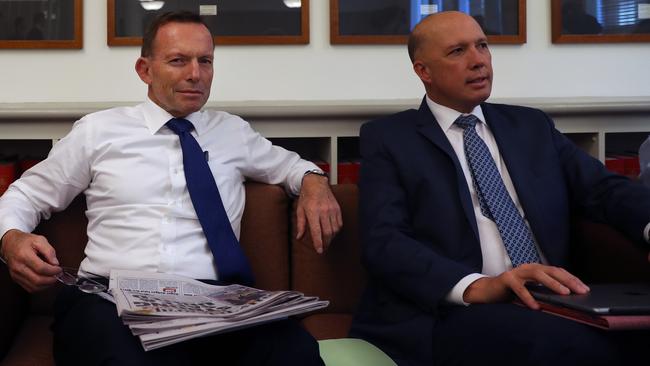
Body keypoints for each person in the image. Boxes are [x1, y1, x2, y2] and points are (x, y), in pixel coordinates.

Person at [0, 11, 341, 366]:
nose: (195, 74)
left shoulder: (233, 133)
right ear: (144, 70)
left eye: (205, 61)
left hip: (216, 305)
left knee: (296, 352)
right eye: (178, 60)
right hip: (110, 301)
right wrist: (12, 239)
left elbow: (290, 166)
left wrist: (314, 182)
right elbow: (25, 195)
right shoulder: (98, 132)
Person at [349, 11, 650, 366]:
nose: (478, 61)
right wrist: (479, 286)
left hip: (554, 299)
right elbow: (384, 242)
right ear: (423, 71)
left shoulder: (530, 126)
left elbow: (604, 189)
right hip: (457, 307)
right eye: (458, 51)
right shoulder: (389, 139)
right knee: (569, 347)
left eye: (482, 46)